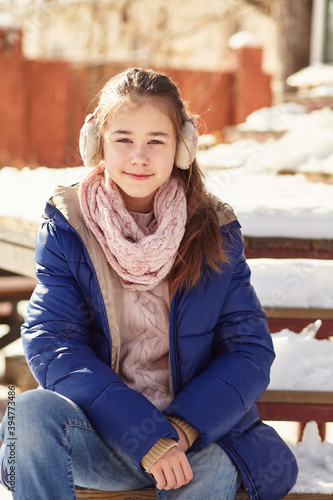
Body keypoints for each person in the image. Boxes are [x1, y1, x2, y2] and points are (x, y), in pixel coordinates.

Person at [0, 68, 297, 500]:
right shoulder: (69, 226)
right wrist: (144, 437)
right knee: (27, 411)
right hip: (102, 437)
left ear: (182, 147)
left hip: (196, 443)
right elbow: (53, 342)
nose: (139, 156)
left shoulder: (214, 229)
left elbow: (248, 349)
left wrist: (180, 429)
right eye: (123, 139)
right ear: (96, 144)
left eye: (155, 141)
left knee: (216, 467)